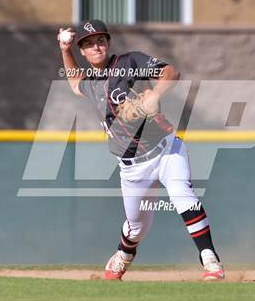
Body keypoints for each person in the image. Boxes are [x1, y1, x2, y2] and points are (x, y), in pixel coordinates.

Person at [58, 20, 225, 281]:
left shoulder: (130, 62)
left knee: (183, 197)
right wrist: (64, 49)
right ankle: (124, 254)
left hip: (166, 149)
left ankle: (210, 260)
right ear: (83, 51)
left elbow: (170, 72)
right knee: (135, 228)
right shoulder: (91, 83)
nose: (96, 46)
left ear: (108, 42)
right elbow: (74, 82)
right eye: (88, 44)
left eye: (100, 40)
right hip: (132, 167)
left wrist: (156, 94)